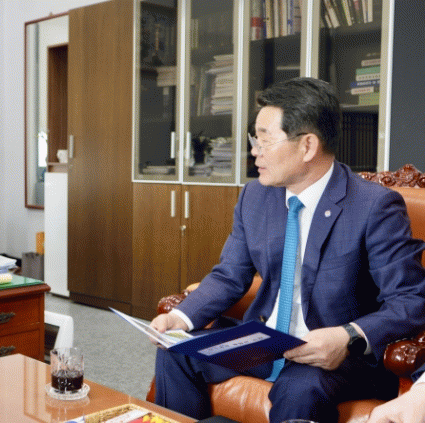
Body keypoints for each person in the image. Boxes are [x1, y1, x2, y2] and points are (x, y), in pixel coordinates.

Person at [150, 77, 425, 423]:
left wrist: (348, 337)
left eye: (265, 140)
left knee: (299, 388)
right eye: (254, 140)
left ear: (307, 146)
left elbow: (410, 299)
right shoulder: (255, 196)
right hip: (267, 341)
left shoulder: (374, 206)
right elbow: (230, 274)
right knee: (175, 353)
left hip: (337, 354)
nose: (254, 151)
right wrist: (179, 318)